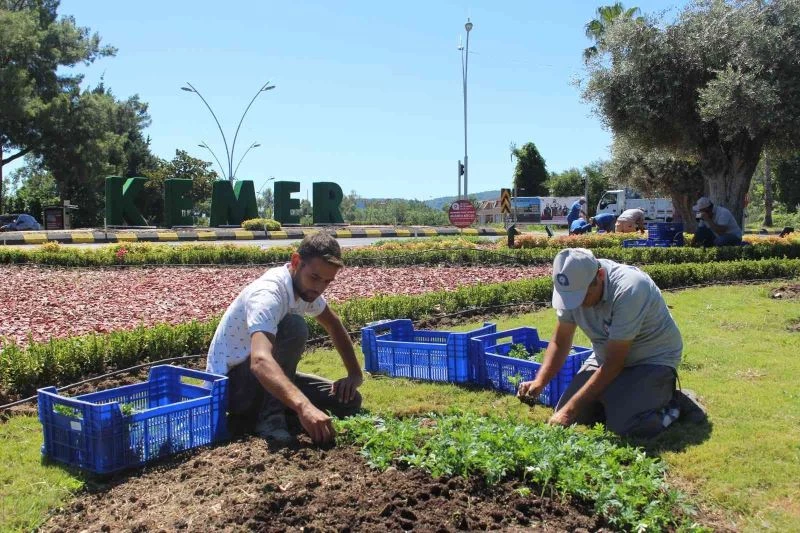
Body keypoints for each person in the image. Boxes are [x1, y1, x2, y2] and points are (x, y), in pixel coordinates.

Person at [206, 232, 363, 445]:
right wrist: (304, 406)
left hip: (259, 384)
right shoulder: (268, 294)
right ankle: (270, 421)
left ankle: (278, 414)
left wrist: (354, 374)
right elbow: (260, 362)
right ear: (296, 261)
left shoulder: (305, 290)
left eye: (327, 281)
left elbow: (333, 324)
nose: (319, 288)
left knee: (348, 400)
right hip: (233, 388)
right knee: (294, 327)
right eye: (315, 277)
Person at [517, 248, 685, 438]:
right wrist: (540, 381)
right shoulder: (573, 284)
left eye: (582, 296)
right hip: (605, 356)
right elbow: (561, 340)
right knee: (577, 415)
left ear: (600, 276)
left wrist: (568, 412)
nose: (577, 304)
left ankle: (673, 402)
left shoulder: (630, 289)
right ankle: (627, 397)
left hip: (651, 358)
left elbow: (614, 363)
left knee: (626, 428)